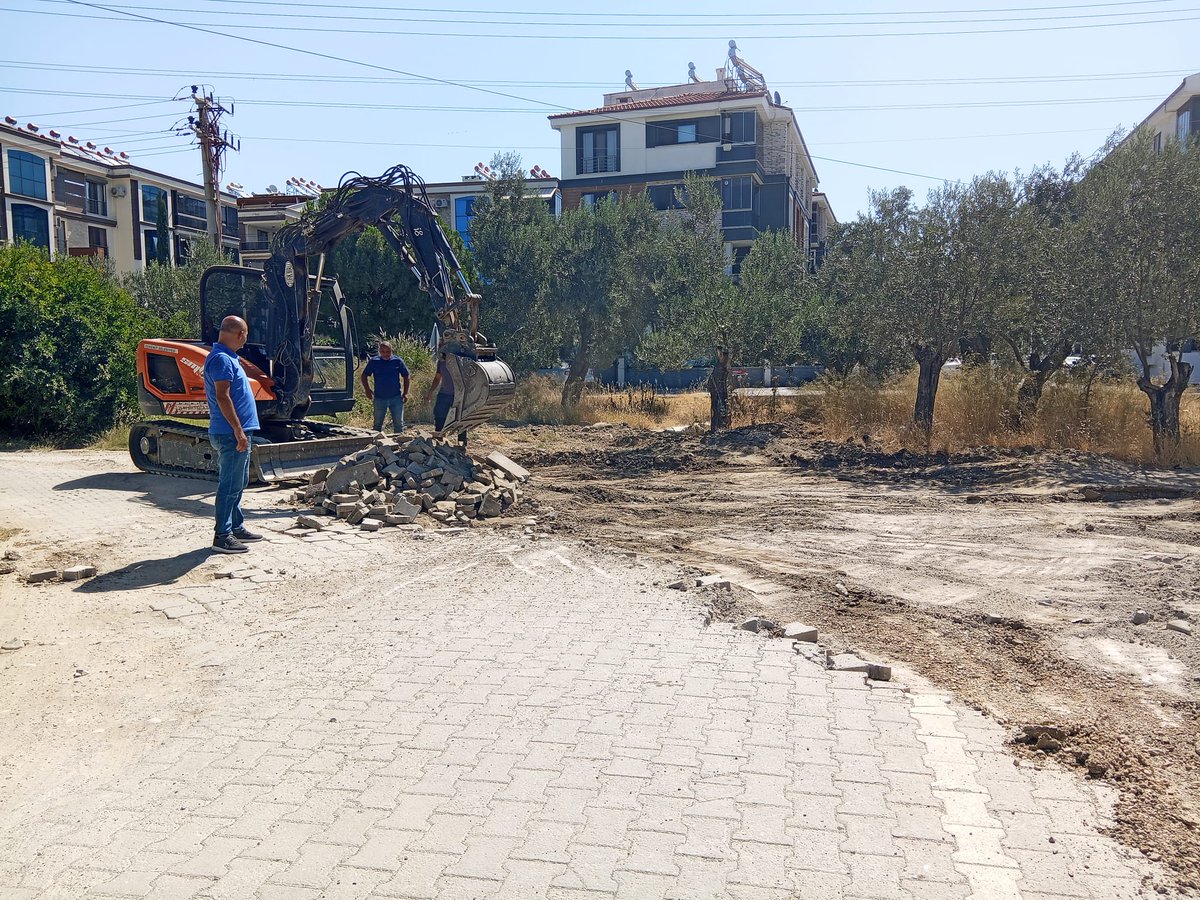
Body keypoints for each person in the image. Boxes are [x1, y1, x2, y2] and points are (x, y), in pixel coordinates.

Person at [204, 315, 264, 554]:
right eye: (246, 333)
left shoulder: (228, 358)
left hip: (237, 432)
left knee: (238, 482)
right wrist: (238, 430)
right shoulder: (221, 359)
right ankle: (222, 535)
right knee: (229, 485)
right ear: (239, 334)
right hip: (230, 433)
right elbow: (222, 396)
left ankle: (236, 527)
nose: (246, 338)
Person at [361, 340, 410, 433]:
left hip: (396, 397)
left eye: (388, 351)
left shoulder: (397, 361)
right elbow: (364, 375)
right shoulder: (374, 361)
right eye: (383, 351)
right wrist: (367, 390)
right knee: (377, 424)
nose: (385, 354)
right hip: (380, 398)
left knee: (399, 424)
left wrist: (406, 393)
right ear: (379, 351)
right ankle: (376, 445)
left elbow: (406, 376)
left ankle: (399, 445)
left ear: (391, 350)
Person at [424, 351, 457, 433]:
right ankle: (439, 437)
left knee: (460, 417)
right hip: (444, 393)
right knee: (439, 415)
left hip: (459, 394)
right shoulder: (441, 362)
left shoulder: (462, 360)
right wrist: (430, 392)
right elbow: (438, 377)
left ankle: (462, 441)